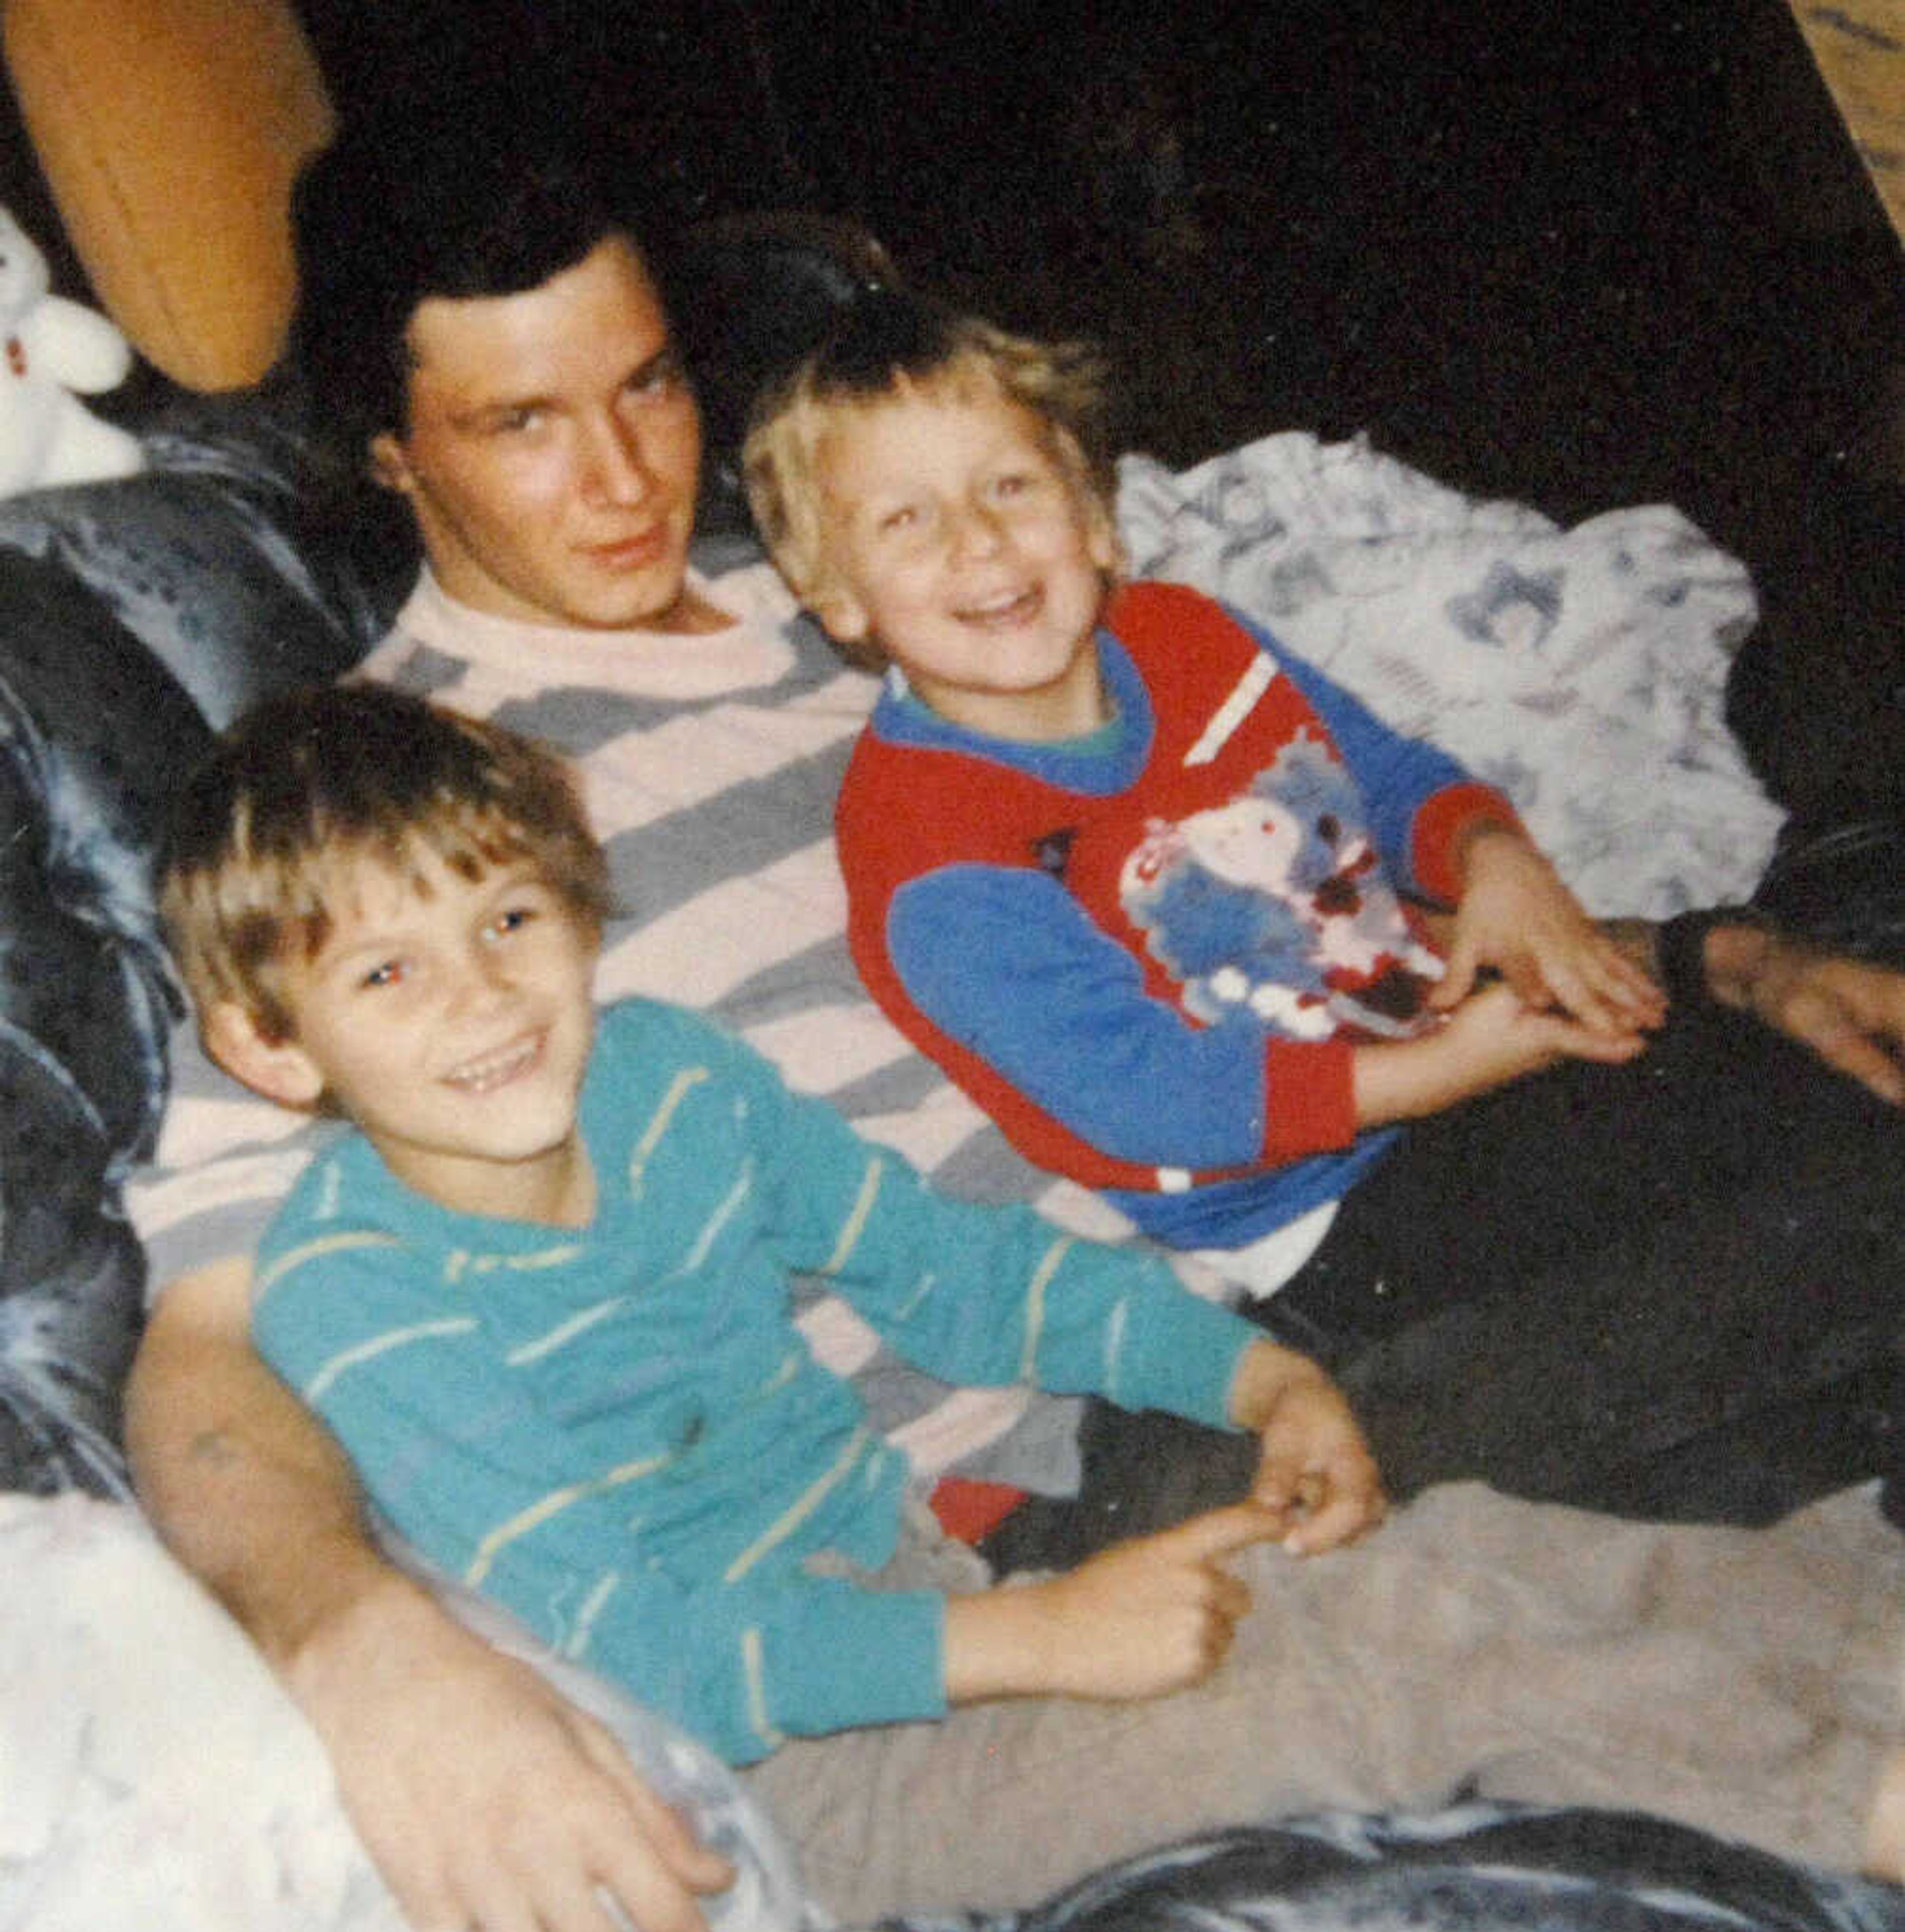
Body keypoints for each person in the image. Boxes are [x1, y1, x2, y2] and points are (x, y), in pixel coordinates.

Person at [124, 121, 1905, 1932]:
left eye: (647, 385)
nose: (629, 472)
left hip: (1236, 1282)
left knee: (1814, 1116)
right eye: (524, 425)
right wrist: (363, 1652)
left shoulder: (888, 589)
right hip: (1010, 1498)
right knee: (1713, 1338)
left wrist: (1727, 957)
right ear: (395, 459)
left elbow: (1304, 889)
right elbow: (214, 1352)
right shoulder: (402, 839)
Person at [745, 288, 1905, 1528]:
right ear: (840, 599)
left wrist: (1492, 856)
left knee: (1799, 1088)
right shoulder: (929, 852)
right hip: (1308, 1215)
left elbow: (1389, 772)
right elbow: (1150, 1098)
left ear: (1092, 515)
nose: (976, 544)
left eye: (1009, 489)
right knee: (1753, 1213)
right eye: (906, 522)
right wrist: (1450, 1068)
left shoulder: (1187, 638)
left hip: (1444, 1048)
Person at [168, 682, 1382, 1766]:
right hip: (772, 1763)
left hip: (925, 1593)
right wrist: (1037, 1633)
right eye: (387, 972)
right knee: (1381, 1679)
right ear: (268, 1050)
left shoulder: (669, 1078)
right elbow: (642, 1657)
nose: (482, 996)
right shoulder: (355, 1292)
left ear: (581, 915)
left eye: (506, 921)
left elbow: (955, 1273)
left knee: (1432, 1584)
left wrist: (1262, 1378)